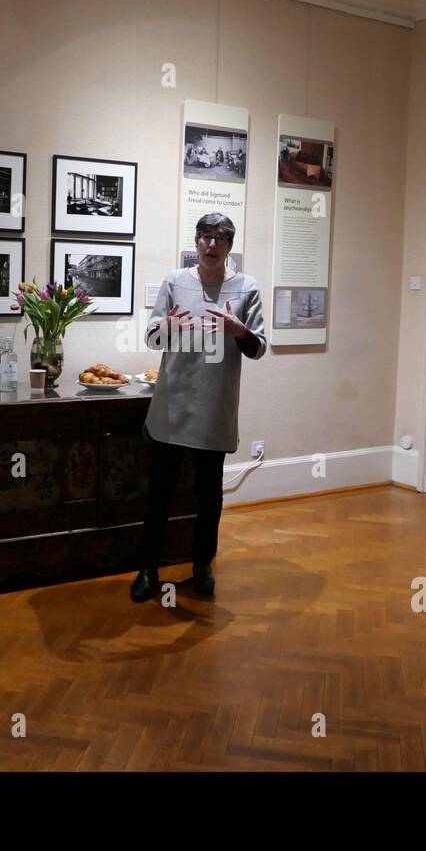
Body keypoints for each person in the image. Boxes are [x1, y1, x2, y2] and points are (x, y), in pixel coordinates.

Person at [131, 213, 267, 602]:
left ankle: (202, 564)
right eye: (205, 237)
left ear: (229, 245)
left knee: (209, 494)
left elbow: (258, 348)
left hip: (215, 403)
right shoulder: (175, 282)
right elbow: (154, 338)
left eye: (220, 238)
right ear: (196, 241)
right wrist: (168, 328)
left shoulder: (246, 287)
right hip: (173, 402)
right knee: (160, 491)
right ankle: (148, 569)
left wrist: (238, 329)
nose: (211, 244)